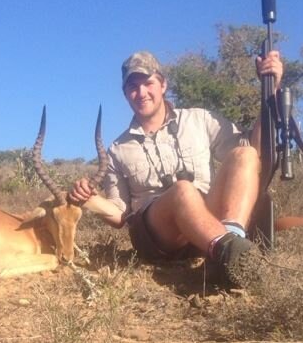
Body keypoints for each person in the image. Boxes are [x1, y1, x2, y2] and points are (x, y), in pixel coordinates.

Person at [69, 49, 284, 286]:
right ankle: (232, 253)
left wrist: (270, 92)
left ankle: (227, 251)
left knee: (245, 154)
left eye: (148, 83)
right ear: (125, 94)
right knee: (183, 190)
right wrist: (89, 198)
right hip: (157, 235)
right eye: (132, 87)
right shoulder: (118, 149)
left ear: (163, 85)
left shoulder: (199, 119)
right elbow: (120, 215)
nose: (141, 92)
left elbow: (257, 150)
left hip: (204, 223)